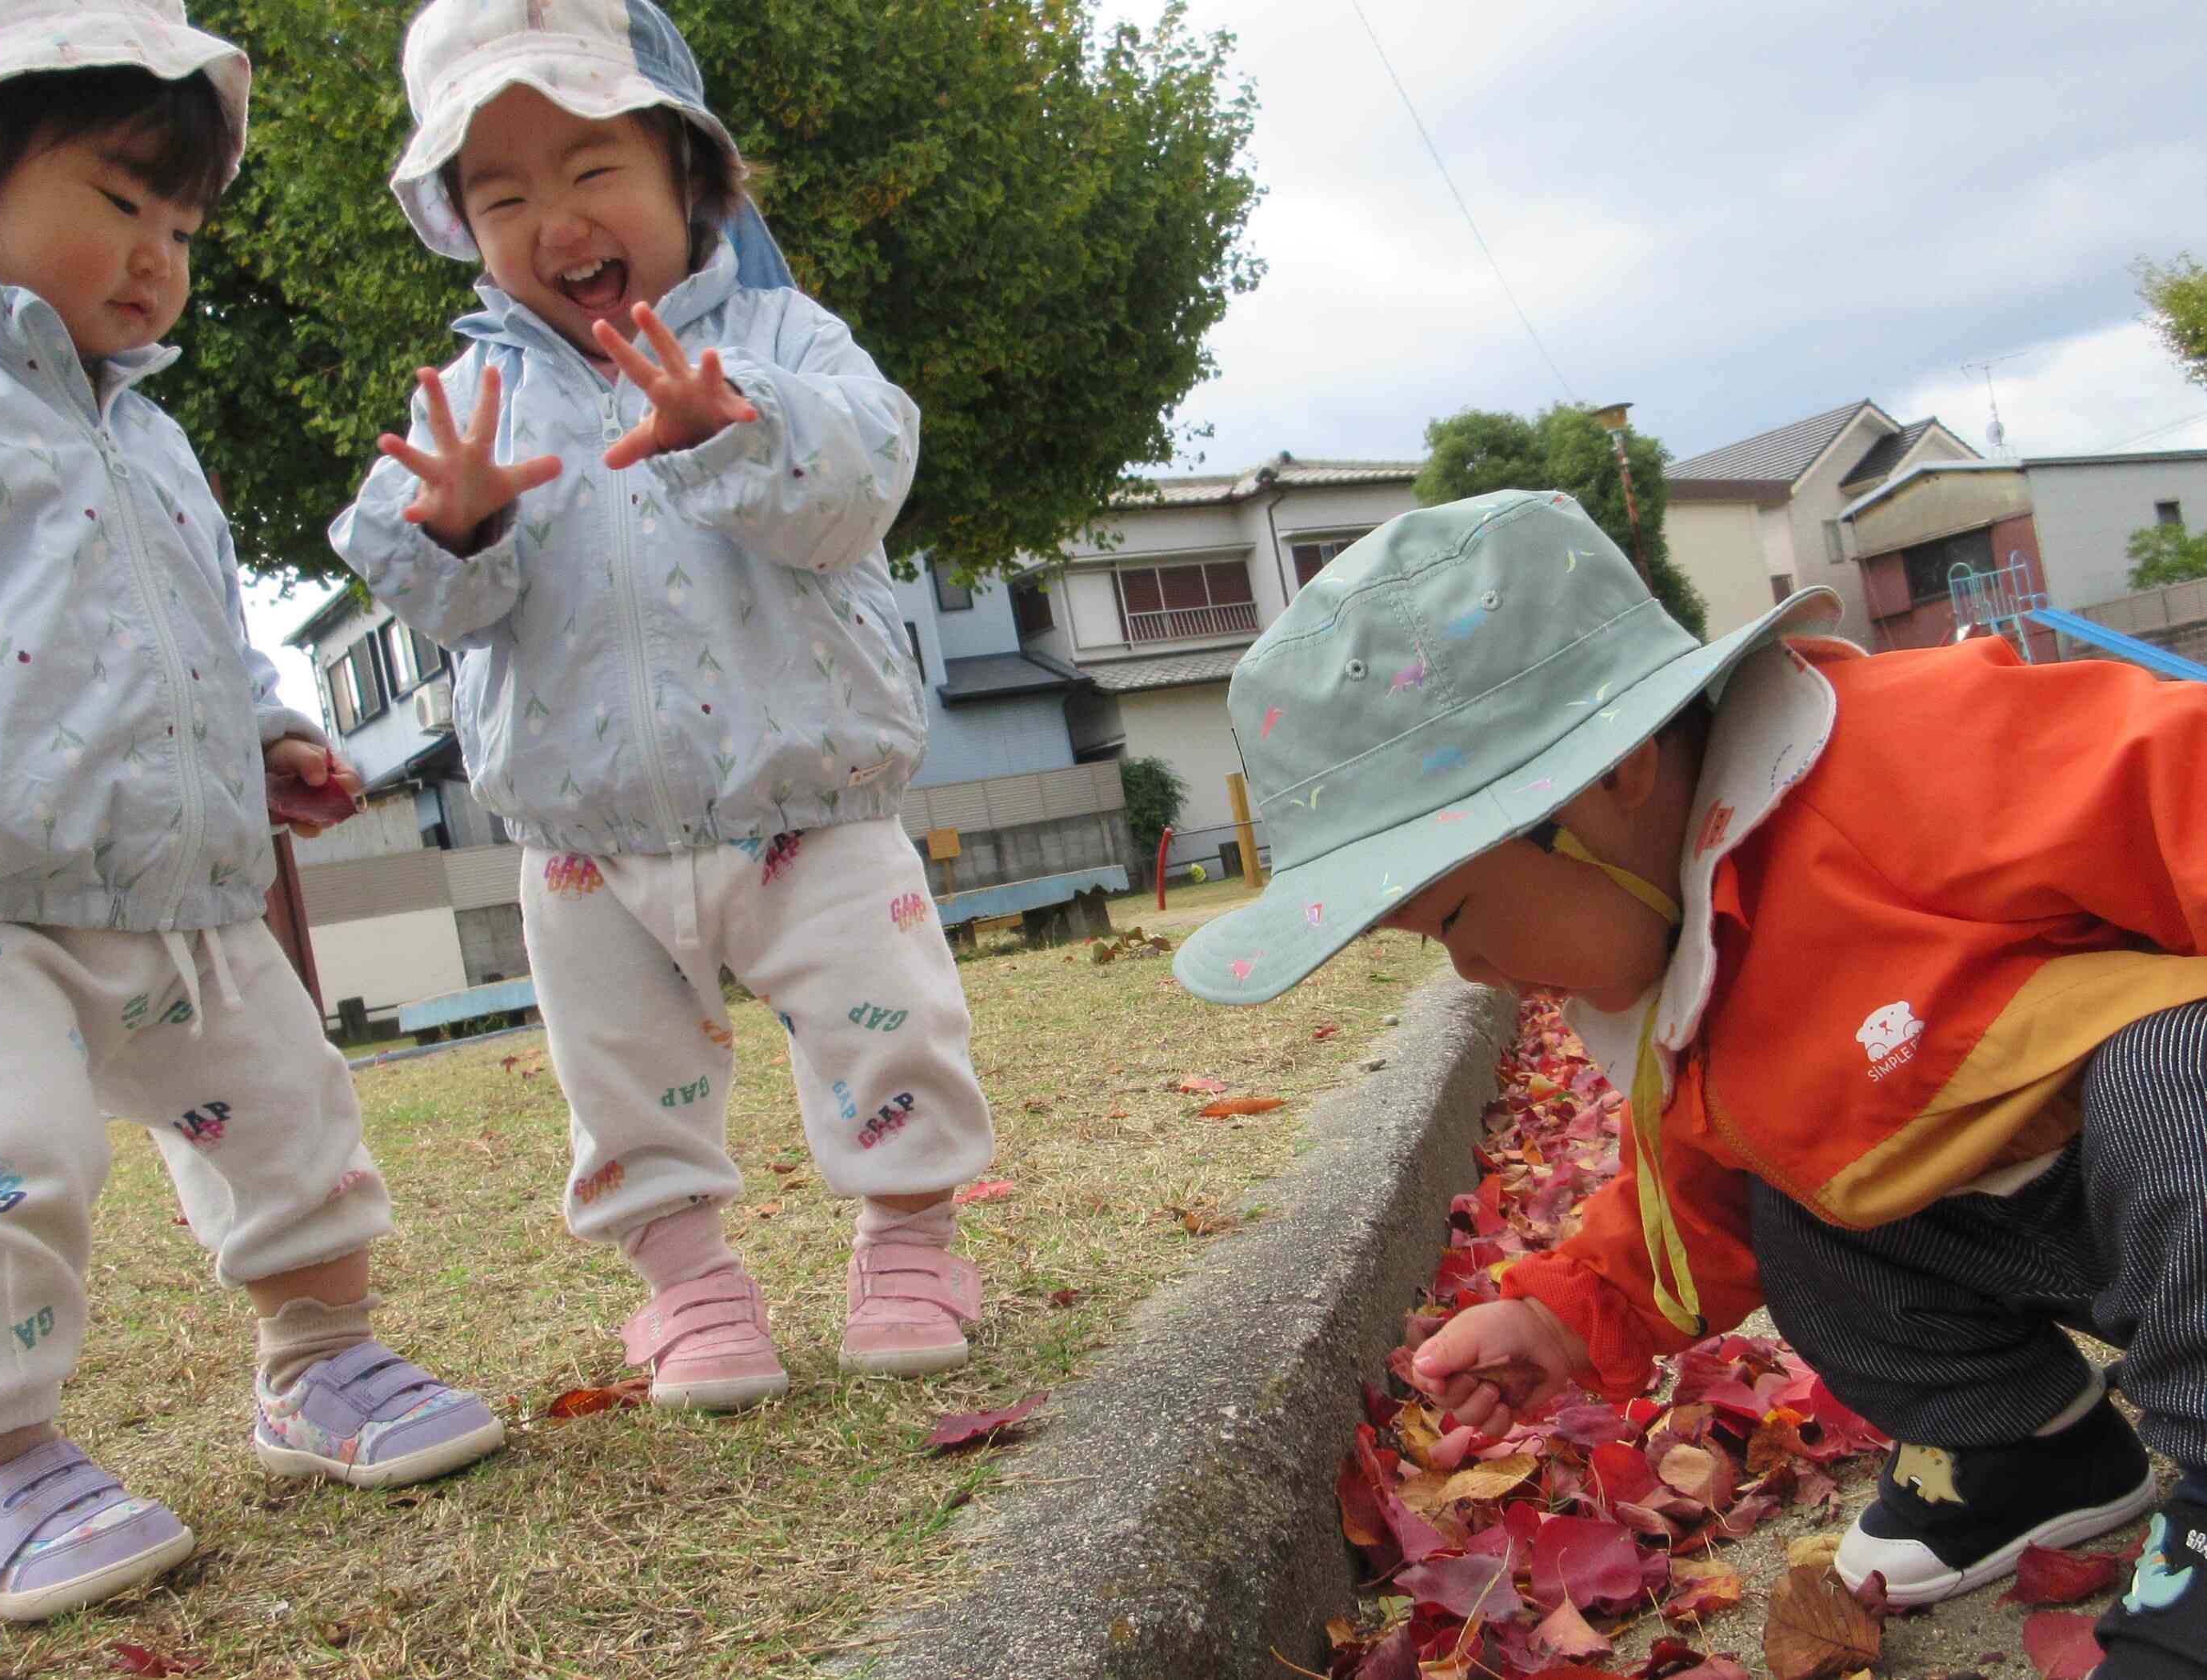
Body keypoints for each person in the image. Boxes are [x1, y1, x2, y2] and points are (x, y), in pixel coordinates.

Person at [1173, 490, 2207, 1678]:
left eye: (1455, 916)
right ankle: (2033, 1453)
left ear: (1611, 778)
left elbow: (2174, 784)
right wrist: (1564, 1312)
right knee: (1797, 1199)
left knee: (2174, 1073)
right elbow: (1696, 1196)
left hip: (2165, 1165)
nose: (1475, 973)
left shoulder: (1917, 753)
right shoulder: (1682, 954)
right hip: (2066, 1226)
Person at [0, 0, 502, 1623]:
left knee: (290, 1113)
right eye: (123, 205)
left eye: (182, 226)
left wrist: (259, 736)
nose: (161, 259)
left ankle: (317, 1362)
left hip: (174, 885)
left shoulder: (142, 422)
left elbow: (190, 625)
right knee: (6, 1173)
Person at [331, 0, 994, 1412]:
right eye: (502, 194)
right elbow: (430, 602)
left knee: (890, 1027)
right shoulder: (475, 393)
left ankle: (911, 1240)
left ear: (689, 179)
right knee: (622, 1078)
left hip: (807, 796)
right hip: (584, 828)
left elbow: (864, 484)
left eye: (589, 171)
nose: (553, 220)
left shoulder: (785, 334)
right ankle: (690, 1288)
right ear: (461, 225)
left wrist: (731, 419)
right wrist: (449, 531)